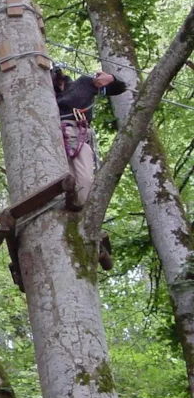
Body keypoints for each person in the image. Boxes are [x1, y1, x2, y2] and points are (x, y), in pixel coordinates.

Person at [52, 66, 127, 269]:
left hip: (78, 134)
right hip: (55, 138)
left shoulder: (84, 83)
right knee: (63, 182)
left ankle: (88, 223)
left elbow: (120, 87)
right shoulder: (48, 98)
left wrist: (110, 78)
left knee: (85, 181)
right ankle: (75, 217)